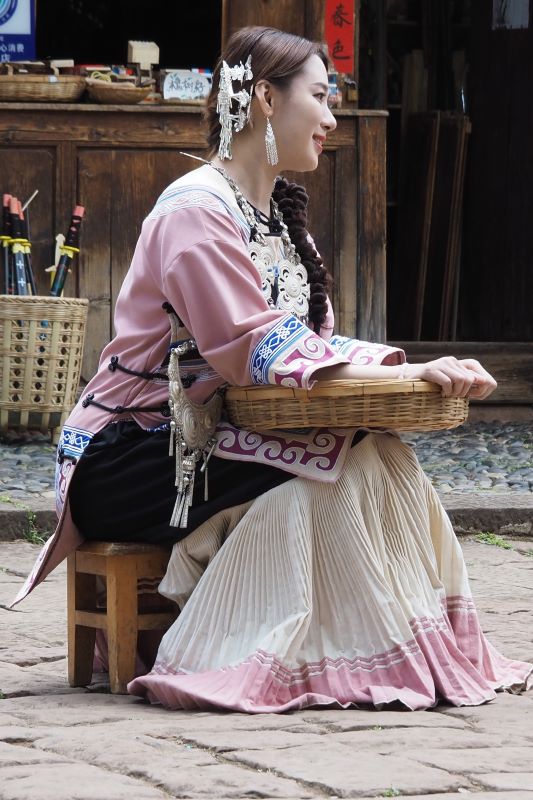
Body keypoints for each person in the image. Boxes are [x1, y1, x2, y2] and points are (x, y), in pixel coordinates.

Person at [14, 27, 531, 712]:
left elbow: (307, 346)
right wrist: (409, 372)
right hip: (129, 455)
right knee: (336, 451)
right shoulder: (196, 211)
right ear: (263, 98)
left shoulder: (280, 221)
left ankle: (385, 648)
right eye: (318, 97)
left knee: (371, 448)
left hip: (211, 440)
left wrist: (400, 376)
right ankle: (302, 653)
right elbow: (257, 351)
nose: (328, 118)